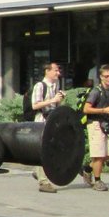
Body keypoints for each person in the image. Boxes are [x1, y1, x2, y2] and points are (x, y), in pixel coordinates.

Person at [81, 64, 109, 192]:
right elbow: (86, 109)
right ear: (101, 77)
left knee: (108, 155)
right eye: (106, 76)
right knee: (98, 155)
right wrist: (104, 110)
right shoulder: (96, 91)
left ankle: (87, 169)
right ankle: (97, 181)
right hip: (96, 124)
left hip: (107, 124)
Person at [30, 63, 65, 193]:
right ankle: (43, 182)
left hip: (52, 122)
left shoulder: (56, 86)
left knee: (49, 149)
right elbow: (35, 105)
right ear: (47, 71)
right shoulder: (40, 86)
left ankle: (37, 172)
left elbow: (55, 106)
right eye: (56, 70)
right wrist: (53, 100)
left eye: (58, 70)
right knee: (42, 150)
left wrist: (59, 100)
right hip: (42, 122)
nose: (58, 73)